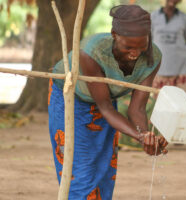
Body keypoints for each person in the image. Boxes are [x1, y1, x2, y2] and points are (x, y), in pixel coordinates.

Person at [48, 5, 168, 199]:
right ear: (114, 34)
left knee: (104, 169)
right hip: (70, 99)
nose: (135, 53)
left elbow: (136, 108)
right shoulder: (91, 52)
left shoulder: (153, 58)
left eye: (141, 46)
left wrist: (145, 136)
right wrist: (139, 137)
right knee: (80, 171)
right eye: (128, 47)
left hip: (105, 103)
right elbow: (104, 108)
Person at [151, 0, 186, 94]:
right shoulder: (153, 17)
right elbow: (148, 40)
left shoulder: (184, 18)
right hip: (159, 68)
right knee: (161, 103)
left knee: (183, 102)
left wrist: (179, 53)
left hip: (181, 69)